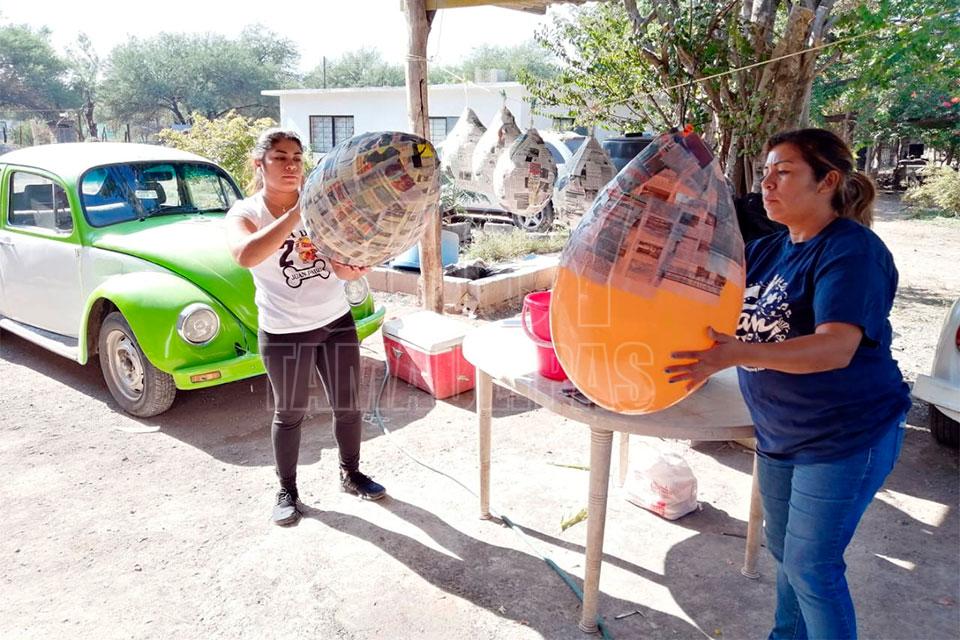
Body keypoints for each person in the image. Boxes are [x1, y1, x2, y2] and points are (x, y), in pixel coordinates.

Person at [665, 128, 911, 639]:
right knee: (786, 553)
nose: (767, 185)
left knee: (811, 567)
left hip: (847, 435)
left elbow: (834, 347)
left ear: (828, 181)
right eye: (765, 173)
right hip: (780, 434)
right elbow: (699, 286)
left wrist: (737, 354)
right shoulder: (766, 251)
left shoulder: (851, 251)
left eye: (784, 172)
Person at [225, 128, 386, 527]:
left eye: (297, 158)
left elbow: (338, 263)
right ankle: (287, 491)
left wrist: (353, 268)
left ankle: (350, 473)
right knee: (290, 412)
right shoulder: (246, 213)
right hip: (284, 331)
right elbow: (245, 255)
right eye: (279, 157)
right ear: (259, 164)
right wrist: (299, 212)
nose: (291, 166)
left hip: (335, 322)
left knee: (348, 405)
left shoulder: (324, 207)